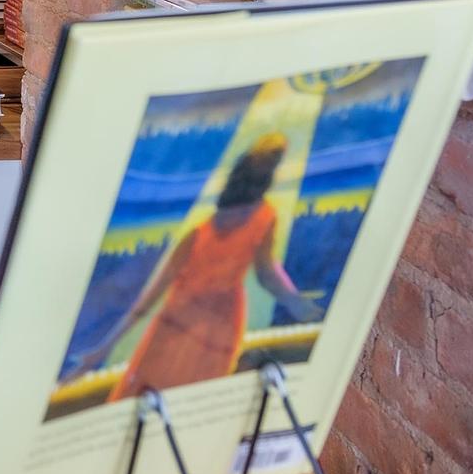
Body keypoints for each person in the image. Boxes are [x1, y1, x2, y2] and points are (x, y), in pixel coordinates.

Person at [62, 133, 325, 398]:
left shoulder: (258, 219)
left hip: (218, 327)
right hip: (183, 325)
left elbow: (267, 272)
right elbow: (147, 300)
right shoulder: (205, 234)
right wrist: (100, 350)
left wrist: (296, 303)